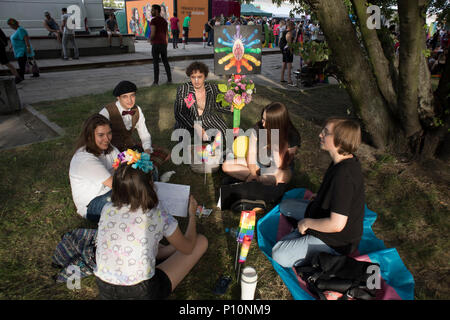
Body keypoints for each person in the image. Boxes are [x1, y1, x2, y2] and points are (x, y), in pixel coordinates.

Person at [94, 150, 208, 300]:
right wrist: (192, 215)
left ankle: (169, 250)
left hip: (104, 287)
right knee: (200, 242)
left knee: (150, 241)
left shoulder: (107, 208)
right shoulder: (156, 213)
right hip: (142, 291)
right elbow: (188, 248)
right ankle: (170, 251)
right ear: (149, 184)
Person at [271, 117, 365, 268]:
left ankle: (307, 238)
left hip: (336, 241)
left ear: (340, 140)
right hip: (322, 213)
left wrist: (307, 223)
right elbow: (334, 193)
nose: (320, 135)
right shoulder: (340, 160)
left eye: (326, 133)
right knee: (285, 206)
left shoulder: (344, 175)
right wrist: (320, 197)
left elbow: (337, 225)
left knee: (278, 253)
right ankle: (302, 233)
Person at [222, 102, 300, 186]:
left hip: (278, 168)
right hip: (258, 164)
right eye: (263, 119)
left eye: (267, 121)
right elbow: (251, 153)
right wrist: (253, 173)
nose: (263, 123)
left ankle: (252, 182)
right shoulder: (258, 127)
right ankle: (255, 181)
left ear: (277, 123)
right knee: (226, 165)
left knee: (275, 178)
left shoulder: (292, 136)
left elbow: (282, 165)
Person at [69, 114, 120, 222]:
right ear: (89, 136)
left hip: (111, 190)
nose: (107, 139)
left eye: (109, 133)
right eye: (101, 135)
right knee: (133, 193)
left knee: (149, 171)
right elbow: (117, 185)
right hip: (92, 205)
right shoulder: (85, 159)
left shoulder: (111, 149)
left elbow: (124, 168)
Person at [174, 61, 232, 143]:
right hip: (188, 120)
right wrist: (196, 127)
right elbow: (179, 113)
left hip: (206, 118)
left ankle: (213, 148)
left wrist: (231, 109)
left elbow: (218, 106)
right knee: (182, 141)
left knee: (222, 131)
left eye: (199, 77)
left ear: (205, 76)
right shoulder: (184, 89)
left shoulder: (212, 88)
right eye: (193, 77)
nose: (196, 81)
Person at [150, 4, 172, 86]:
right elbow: (167, 34)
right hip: (163, 44)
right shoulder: (164, 21)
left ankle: (156, 82)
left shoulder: (153, 21)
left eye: (152, 10)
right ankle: (169, 80)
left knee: (156, 63)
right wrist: (166, 44)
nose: (151, 12)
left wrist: (150, 39)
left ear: (156, 10)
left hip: (156, 44)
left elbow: (153, 33)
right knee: (165, 62)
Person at [279, 21, 295, 86]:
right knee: (289, 65)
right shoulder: (289, 33)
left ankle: (282, 78)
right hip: (288, 50)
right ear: (290, 26)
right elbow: (289, 44)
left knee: (284, 63)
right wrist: (291, 51)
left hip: (283, 50)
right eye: (293, 26)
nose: (294, 27)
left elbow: (280, 41)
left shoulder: (283, 32)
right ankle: (289, 79)